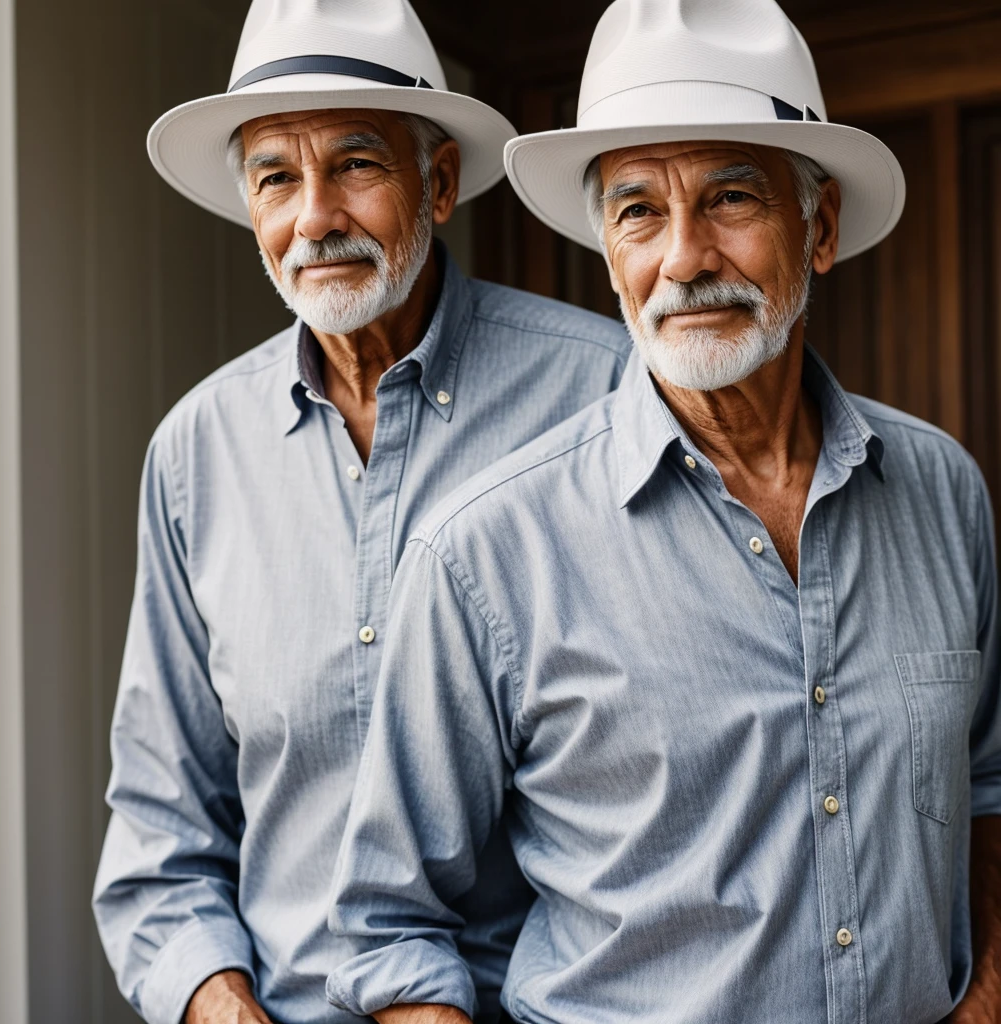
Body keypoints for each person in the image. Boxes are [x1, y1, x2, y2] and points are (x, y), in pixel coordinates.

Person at [325, 1, 1001, 1022]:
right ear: (608, 250)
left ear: (816, 230)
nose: (684, 258)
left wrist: (986, 992)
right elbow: (385, 924)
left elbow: (986, 783)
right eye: (639, 210)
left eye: (731, 198)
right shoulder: (486, 551)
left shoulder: (943, 490)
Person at [91, 2, 630, 1022]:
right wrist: (219, 1002)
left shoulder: (604, 395)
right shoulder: (195, 454)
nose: (314, 217)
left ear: (440, 180)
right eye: (276, 178)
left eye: (355, 165)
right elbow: (161, 837)